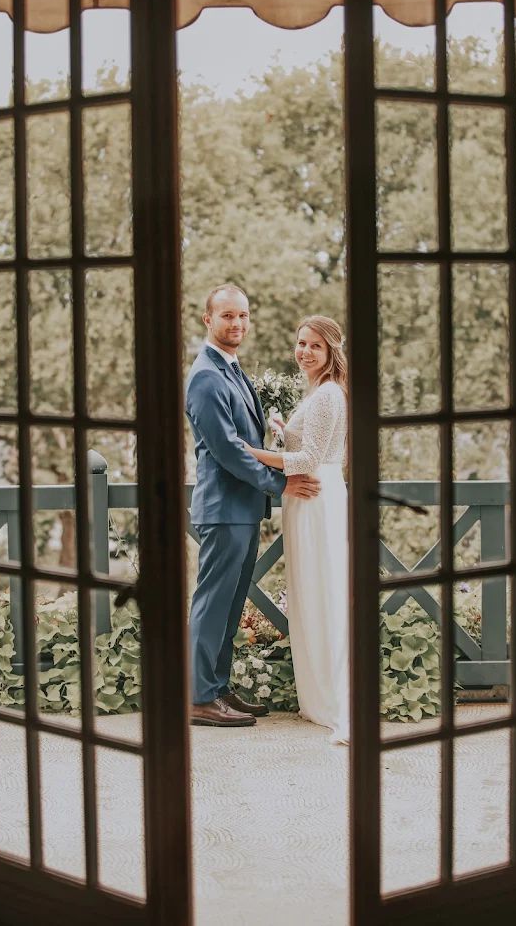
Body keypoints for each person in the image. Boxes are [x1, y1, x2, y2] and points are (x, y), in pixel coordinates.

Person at [185, 285, 321, 727]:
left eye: (243, 316)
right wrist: (279, 484)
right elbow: (226, 450)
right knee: (212, 602)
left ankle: (217, 689)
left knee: (229, 603)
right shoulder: (206, 374)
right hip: (223, 508)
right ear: (208, 320)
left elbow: (248, 437)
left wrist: (276, 431)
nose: (237, 324)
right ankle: (198, 697)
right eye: (227, 316)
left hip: (240, 508)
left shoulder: (231, 368)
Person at [243, 315, 349, 745]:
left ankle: (334, 699)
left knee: (323, 591)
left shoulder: (327, 394)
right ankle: (319, 694)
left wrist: (251, 452)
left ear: (331, 353)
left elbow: (308, 461)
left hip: (316, 497)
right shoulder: (318, 393)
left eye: (315, 346)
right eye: (301, 342)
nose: (304, 351)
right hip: (305, 499)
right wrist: (283, 432)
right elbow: (307, 446)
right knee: (308, 591)